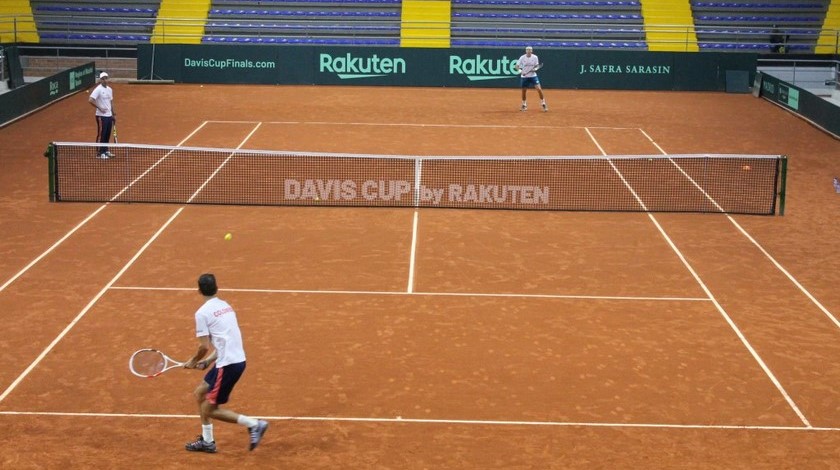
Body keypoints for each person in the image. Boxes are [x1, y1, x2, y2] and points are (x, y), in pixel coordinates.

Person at [183, 273, 268, 453]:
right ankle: (207, 441)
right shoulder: (226, 306)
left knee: (210, 409)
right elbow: (225, 341)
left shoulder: (202, 313)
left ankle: (254, 424)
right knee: (200, 393)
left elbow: (203, 346)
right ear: (217, 288)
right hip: (233, 360)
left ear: (198, 290)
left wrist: (193, 360)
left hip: (228, 365)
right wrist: (207, 361)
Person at [88, 71, 115, 159]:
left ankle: (105, 150)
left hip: (109, 115)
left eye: (106, 78)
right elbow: (91, 100)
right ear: (100, 80)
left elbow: (111, 102)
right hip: (100, 116)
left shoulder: (110, 89)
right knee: (101, 134)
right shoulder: (98, 89)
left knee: (107, 134)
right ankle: (100, 153)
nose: (105, 80)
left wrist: (113, 113)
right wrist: (100, 108)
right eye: (103, 79)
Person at [515, 46, 548, 112]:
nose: (529, 51)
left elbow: (537, 65)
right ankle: (524, 104)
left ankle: (543, 103)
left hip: (533, 76)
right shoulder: (522, 57)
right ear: (526, 51)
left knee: (539, 89)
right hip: (524, 77)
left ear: (532, 51)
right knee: (524, 91)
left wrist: (535, 69)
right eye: (527, 50)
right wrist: (520, 71)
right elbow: (517, 66)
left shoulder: (535, 57)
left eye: (530, 50)